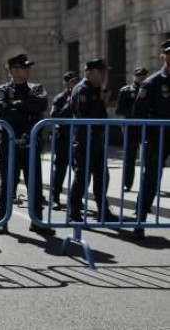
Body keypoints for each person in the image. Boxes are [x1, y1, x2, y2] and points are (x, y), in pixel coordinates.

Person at [0, 54, 54, 235]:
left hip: (30, 143)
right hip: (9, 144)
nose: (26, 70)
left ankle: (37, 221)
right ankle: (1, 221)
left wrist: (18, 106)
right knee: (7, 184)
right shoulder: (2, 90)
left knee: (34, 183)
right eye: (22, 67)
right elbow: (4, 113)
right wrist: (27, 111)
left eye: (28, 67)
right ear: (12, 71)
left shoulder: (36, 88)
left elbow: (41, 105)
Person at [68, 59, 118, 223]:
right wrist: (101, 101)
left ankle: (103, 210)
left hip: (96, 139)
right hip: (84, 140)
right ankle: (74, 210)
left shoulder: (95, 89)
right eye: (100, 72)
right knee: (82, 177)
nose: (103, 76)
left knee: (102, 176)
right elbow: (85, 116)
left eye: (104, 72)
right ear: (89, 73)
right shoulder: (82, 90)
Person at [132, 40, 170, 240]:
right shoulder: (152, 83)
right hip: (158, 137)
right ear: (163, 56)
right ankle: (140, 220)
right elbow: (139, 114)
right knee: (151, 180)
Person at [49, 71, 79, 210]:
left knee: (80, 170)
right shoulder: (60, 98)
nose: (74, 84)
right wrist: (68, 105)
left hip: (79, 137)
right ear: (66, 83)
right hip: (64, 137)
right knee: (60, 169)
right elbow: (54, 116)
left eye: (76, 81)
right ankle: (55, 197)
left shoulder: (81, 94)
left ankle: (77, 198)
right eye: (72, 81)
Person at [116, 67, 149, 192]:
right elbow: (119, 110)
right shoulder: (125, 91)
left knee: (149, 157)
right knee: (130, 157)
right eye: (139, 75)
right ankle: (127, 183)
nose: (142, 77)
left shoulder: (150, 89)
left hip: (147, 127)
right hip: (131, 127)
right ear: (134, 76)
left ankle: (147, 184)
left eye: (144, 75)